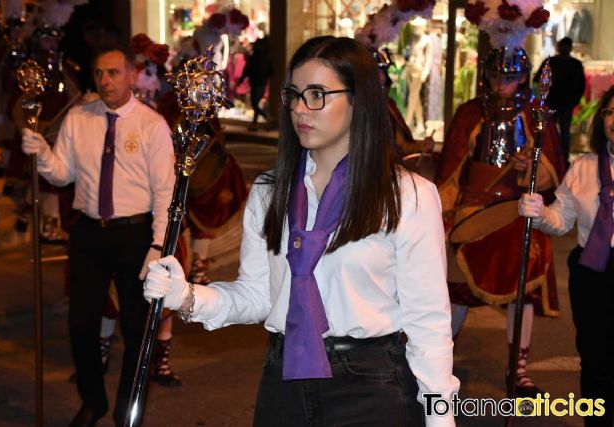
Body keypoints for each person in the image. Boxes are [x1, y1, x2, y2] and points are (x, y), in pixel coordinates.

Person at [143, 35, 458, 426]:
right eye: (293, 94)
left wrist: (440, 416)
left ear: (358, 100)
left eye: (317, 94)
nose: (299, 109)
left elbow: (427, 320)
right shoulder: (269, 192)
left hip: (372, 383)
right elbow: (259, 294)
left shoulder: (408, 196)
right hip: (284, 381)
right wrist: (187, 297)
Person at [21, 44, 175, 427]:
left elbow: (166, 192)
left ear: (132, 75)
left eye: (113, 73)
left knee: (137, 328)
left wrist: (158, 245)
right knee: (81, 323)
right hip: (89, 233)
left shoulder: (151, 125)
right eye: (99, 74)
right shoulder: (79, 118)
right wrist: (41, 152)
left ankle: (128, 410)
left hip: (135, 235)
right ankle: (93, 401)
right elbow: (61, 175)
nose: (105, 81)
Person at [435, 46, 566, 397]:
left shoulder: (535, 115)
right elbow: (451, 169)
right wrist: (442, 215)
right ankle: (438, 366)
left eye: (509, 78)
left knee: (524, 289)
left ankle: (518, 369)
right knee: (456, 289)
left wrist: (531, 170)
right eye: (496, 76)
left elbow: (554, 170)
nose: (502, 84)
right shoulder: (469, 112)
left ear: (523, 77)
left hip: (516, 213)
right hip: (472, 211)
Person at [518, 85, 614, 426]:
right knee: (595, 359)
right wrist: (540, 212)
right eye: (610, 112)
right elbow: (562, 220)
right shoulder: (585, 167)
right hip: (592, 269)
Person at [534, 36, 586, 166]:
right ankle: (553, 157)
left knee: (559, 132)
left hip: (562, 103)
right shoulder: (556, 62)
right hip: (555, 102)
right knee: (553, 132)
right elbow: (538, 79)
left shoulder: (563, 63)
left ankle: (559, 158)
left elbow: (581, 86)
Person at [238, 36, 271, 130]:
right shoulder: (266, 58)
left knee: (254, 104)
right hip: (261, 83)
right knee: (255, 103)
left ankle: (267, 119)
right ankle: (254, 124)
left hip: (256, 83)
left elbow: (246, 70)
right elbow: (270, 72)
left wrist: (241, 80)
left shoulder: (254, 58)